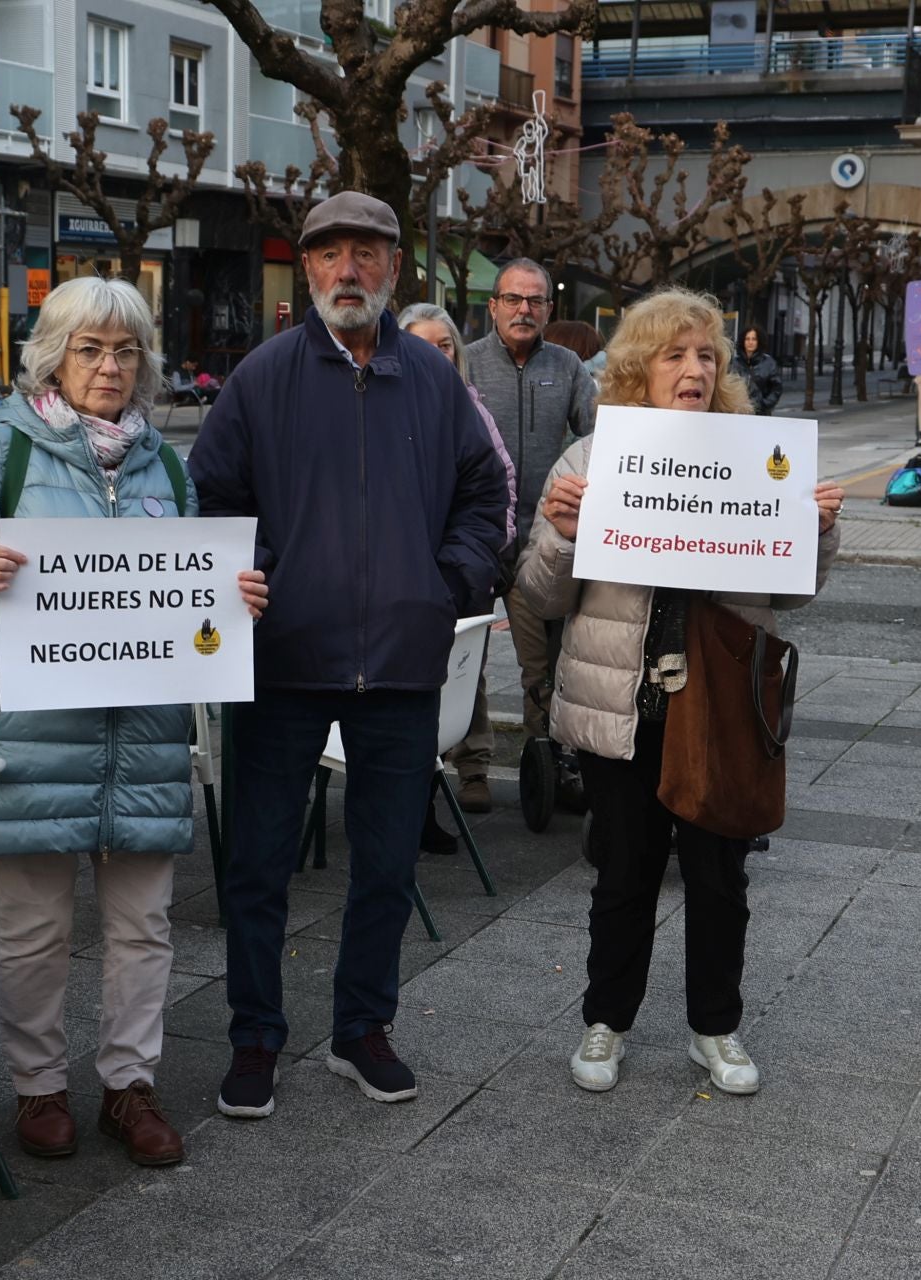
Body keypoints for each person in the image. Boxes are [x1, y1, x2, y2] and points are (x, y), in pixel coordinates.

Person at [0, 276, 267, 1167]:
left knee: (145, 924)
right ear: (55, 357)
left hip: (139, 734)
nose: (110, 366)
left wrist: (231, 597)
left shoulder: (167, 465)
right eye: (91, 348)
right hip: (29, 737)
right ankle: (39, 1089)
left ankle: (129, 1086)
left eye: (126, 350)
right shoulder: (2, 449)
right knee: (32, 927)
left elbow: (187, 600)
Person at [190, 192, 507, 1119]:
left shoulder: (437, 382)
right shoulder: (262, 377)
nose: (348, 271)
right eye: (330, 255)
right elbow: (211, 498)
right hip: (282, 662)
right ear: (309, 269)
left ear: (394, 271)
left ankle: (363, 1029)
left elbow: (484, 494)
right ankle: (255, 1037)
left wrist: (449, 581)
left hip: (401, 667)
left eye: (367, 254)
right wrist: (252, 575)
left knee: (386, 865)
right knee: (257, 865)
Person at [517, 288, 843, 1098]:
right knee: (622, 873)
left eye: (707, 356)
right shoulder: (587, 463)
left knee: (718, 877)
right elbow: (539, 597)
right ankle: (607, 1020)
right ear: (637, 368)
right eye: (675, 354)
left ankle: (715, 1027)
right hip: (619, 703)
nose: (694, 369)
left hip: (720, 706)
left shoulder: (755, 456)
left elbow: (792, 592)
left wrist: (818, 532)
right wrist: (560, 538)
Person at [466, 258, 597, 814]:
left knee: (543, 663)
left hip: (542, 541)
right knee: (466, 653)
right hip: (476, 537)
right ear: (493, 305)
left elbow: (600, 437)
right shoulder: (465, 363)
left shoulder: (567, 366)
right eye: (513, 299)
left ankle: (549, 762)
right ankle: (471, 765)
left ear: (549, 309)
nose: (524, 310)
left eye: (535, 301)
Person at [399, 300, 517, 848]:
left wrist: (477, 558)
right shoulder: (380, 406)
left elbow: (503, 489)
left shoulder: (471, 410)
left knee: (450, 688)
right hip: (394, 586)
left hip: (458, 583)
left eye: (444, 345)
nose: (436, 355)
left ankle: (426, 805)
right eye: (422, 345)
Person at [734, 325, 783, 415]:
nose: (750, 342)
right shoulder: (734, 363)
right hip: (738, 413)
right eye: (747, 339)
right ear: (743, 341)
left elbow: (777, 388)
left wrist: (764, 404)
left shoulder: (769, 363)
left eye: (754, 339)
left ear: (759, 341)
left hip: (761, 414)